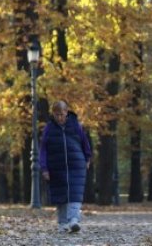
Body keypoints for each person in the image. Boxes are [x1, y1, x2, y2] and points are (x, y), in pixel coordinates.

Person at [40, 100, 92, 234]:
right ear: (53, 114)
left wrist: (87, 158)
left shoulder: (76, 125)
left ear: (66, 112)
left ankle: (74, 220)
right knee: (61, 195)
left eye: (62, 114)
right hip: (56, 166)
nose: (59, 117)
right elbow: (43, 149)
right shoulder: (49, 128)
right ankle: (63, 222)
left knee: (75, 194)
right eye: (56, 115)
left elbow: (85, 142)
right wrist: (44, 168)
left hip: (76, 164)